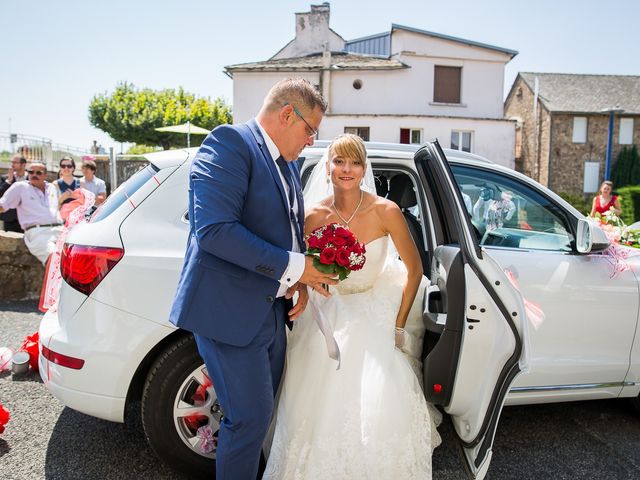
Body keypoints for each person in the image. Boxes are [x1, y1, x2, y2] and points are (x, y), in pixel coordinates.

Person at [169, 78, 336, 480]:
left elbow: (284, 231)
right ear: (285, 114)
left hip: (270, 312)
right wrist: (297, 269)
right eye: (310, 129)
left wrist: (293, 283)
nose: (312, 141)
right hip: (228, 314)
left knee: (261, 418)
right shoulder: (229, 143)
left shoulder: (289, 164)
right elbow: (214, 231)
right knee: (247, 421)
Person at [264, 134, 441, 479]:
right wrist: (306, 286)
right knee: (315, 381)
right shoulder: (313, 216)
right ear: (328, 168)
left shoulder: (385, 211)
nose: (347, 169)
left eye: (355, 162)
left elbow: (415, 270)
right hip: (329, 307)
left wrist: (399, 325)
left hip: (375, 304)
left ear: (364, 170)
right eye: (339, 161)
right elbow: (299, 267)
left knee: (380, 382)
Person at [0, 162, 62, 264]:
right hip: (38, 233)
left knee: (80, 256)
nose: (34, 175)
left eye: (38, 172)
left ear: (45, 175)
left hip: (60, 230)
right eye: (31, 172)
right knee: (55, 261)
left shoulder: (52, 187)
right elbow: (2, 205)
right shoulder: (20, 187)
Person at [0, 155, 29, 232]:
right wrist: (8, 181)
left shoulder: (32, 178)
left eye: (15, 162)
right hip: (10, 218)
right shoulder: (5, 178)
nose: (12, 164)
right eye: (11, 162)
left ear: (23, 165)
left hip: (28, 218)